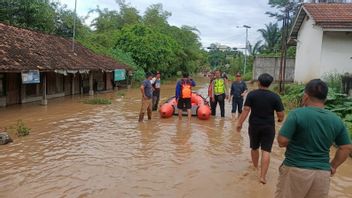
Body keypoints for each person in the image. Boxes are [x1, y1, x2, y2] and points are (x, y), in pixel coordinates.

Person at [275, 79, 352, 198]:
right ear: (325, 99)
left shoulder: (297, 114)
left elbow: (282, 141)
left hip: (296, 170)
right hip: (322, 174)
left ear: (305, 96)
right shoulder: (336, 119)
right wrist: (333, 166)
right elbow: (346, 147)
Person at [236, 73, 285, 184]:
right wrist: (279, 120)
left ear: (258, 82)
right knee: (266, 150)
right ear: (270, 84)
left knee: (254, 148)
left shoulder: (252, 95)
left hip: (254, 125)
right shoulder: (275, 97)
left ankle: (255, 167)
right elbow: (281, 114)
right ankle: (262, 177)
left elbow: (246, 110)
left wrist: (239, 123)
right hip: (268, 126)